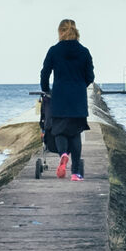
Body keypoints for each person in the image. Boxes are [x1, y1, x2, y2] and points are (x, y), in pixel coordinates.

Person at [39, 19, 94, 179]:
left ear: (60, 32)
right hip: (78, 98)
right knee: (75, 134)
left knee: (59, 131)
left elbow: (45, 73)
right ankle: (75, 173)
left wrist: (46, 89)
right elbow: (90, 76)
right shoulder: (84, 51)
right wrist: (80, 86)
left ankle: (63, 154)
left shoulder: (54, 50)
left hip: (59, 97)